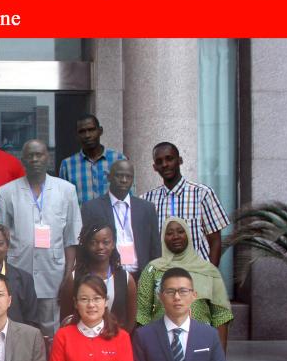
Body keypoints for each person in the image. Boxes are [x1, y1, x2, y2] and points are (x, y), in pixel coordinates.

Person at [0, 139, 83, 337]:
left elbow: (71, 238)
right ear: (23, 160)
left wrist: (68, 275)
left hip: (53, 273)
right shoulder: (6, 192)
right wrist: (2, 275)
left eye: (39, 155)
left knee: (51, 330)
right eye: (30, 156)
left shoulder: (66, 190)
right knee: (18, 329)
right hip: (18, 272)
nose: (34, 159)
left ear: (48, 158)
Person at [135, 217, 233, 347]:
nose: (175, 236)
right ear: (163, 238)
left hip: (201, 344)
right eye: (169, 233)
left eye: (180, 232)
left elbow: (221, 316)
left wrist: (220, 355)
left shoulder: (208, 271)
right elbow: (142, 314)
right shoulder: (152, 269)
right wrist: (146, 350)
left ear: (188, 235)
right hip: (161, 344)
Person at [143, 142, 230, 265]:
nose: (165, 164)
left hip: (196, 273)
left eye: (169, 159)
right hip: (163, 274)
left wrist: (210, 274)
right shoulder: (147, 200)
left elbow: (215, 241)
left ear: (180, 160)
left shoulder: (202, 194)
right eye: (159, 161)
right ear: (154, 167)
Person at [81, 159, 161, 276]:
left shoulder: (147, 208)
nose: (124, 180)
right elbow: (85, 247)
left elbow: (155, 248)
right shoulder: (92, 208)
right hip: (108, 276)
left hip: (141, 276)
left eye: (128, 177)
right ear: (109, 177)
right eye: (119, 176)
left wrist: (154, 278)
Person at [58, 223, 138, 332]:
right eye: (93, 243)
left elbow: (131, 320)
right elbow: (66, 318)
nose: (100, 247)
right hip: (82, 338)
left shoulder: (126, 279)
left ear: (113, 244)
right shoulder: (74, 278)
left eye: (106, 242)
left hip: (114, 338)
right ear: (86, 245)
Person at [58, 115, 127, 206]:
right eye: (82, 131)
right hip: (81, 215)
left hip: (112, 215)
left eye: (91, 130)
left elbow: (129, 196)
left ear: (100, 131)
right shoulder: (68, 165)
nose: (87, 135)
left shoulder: (118, 160)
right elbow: (63, 201)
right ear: (77, 136)